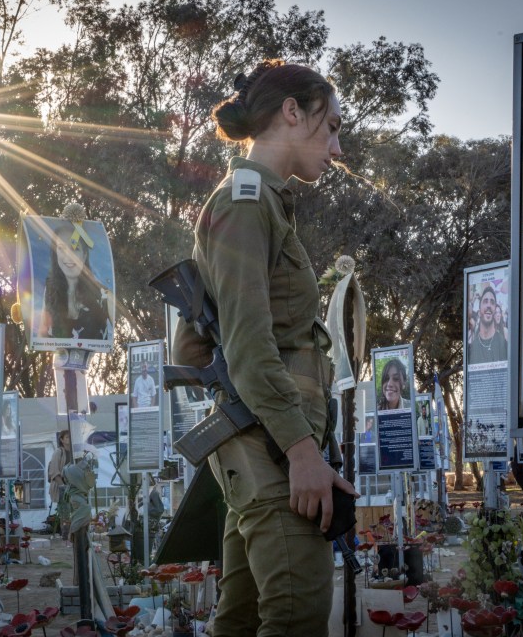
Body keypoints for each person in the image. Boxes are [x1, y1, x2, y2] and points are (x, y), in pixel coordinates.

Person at [171, 59, 357, 637]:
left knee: (244, 619)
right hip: (274, 449)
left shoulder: (263, 203)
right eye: (330, 129)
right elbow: (248, 349)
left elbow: (197, 347)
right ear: (292, 112)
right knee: (298, 613)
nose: (335, 146)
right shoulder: (247, 201)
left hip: (264, 444)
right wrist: (303, 453)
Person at [43, 221, 111, 341]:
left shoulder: (104, 295)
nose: (68, 256)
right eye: (61, 248)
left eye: (75, 248)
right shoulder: (49, 290)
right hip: (59, 359)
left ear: (84, 255)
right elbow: (41, 336)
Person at [468, 286, 508, 365]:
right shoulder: (471, 348)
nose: (489, 305)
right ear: (479, 312)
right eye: (485, 301)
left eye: (492, 302)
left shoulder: (504, 344)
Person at [48, 430, 71, 541]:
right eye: (67, 437)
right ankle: (66, 537)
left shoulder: (75, 452)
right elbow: (54, 471)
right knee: (65, 513)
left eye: (70, 437)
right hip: (62, 486)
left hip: (73, 487)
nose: (69, 439)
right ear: (61, 440)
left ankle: (73, 535)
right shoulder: (58, 452)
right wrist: (62, 486)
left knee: (74, 512)